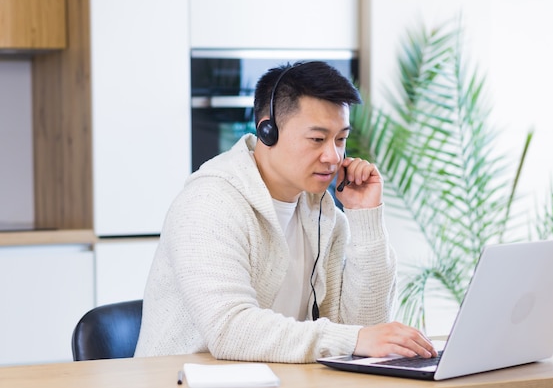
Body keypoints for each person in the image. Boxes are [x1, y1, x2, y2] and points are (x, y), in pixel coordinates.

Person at [134, 61, 437, 363]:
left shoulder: (322, 216)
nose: (334, 156)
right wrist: (354, 338)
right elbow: (229, 329)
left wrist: (365, 217)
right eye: (317, 139)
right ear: (268, 130)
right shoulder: (210, 202)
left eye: (340, 139)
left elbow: (366, 330)